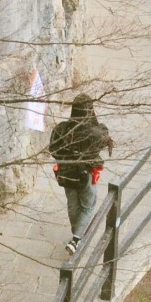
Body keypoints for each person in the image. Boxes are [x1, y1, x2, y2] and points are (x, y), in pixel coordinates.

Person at [47, 94, 113, 247]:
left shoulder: (61, 129)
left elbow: (53, 149)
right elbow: (103, 137)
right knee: (88, 206)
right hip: (85, 175)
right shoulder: (95, 133)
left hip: (66, 175)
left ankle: (76, 236)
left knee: (73, 204)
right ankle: (76, 240)